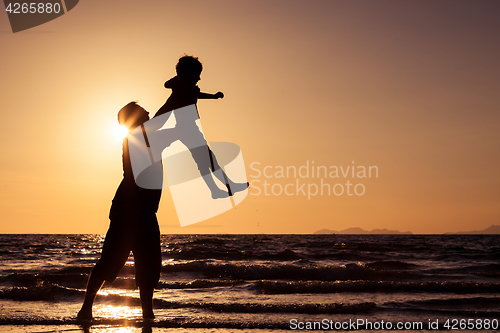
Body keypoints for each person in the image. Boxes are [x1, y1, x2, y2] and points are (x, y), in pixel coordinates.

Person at [78, 102, 162, 320]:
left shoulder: (148, 137)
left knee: (148, 264)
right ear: (136, 118)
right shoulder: (136, 138)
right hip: (130, 211)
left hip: (143, 211)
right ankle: (86, 308)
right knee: (111, 261)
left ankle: (147, 314)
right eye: (144, 112)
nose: (149, 113)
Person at [155, 55, 248, 198]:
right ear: (186, 72)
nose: (199, 78)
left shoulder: (187, 88)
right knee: (209, 159)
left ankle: (217, 189)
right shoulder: (180, 87)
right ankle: (225, 186)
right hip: (187, 129)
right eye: (197, 74)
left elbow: (198, 95)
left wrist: (214, 96)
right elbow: (167, 89)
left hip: (190, 128)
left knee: (205, 161)